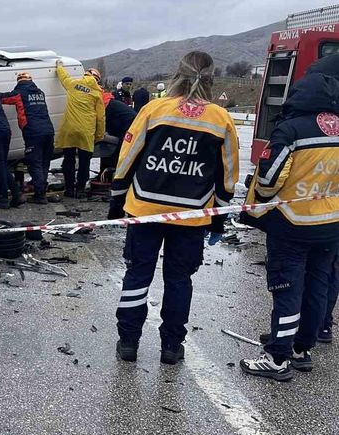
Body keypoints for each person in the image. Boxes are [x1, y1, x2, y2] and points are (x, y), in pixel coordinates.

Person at [109, 51, 239, 365]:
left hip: (144, 209)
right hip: (192, 215)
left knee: (137, 275)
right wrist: (218, 218)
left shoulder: (154, 109)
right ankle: (171, 346)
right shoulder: (221, 118)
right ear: (211, 78)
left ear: (176, 74)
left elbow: (128, 156)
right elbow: (228, 173)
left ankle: (128, 342)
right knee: (179, 280)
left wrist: (116, 200)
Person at [238, 70, 339, 380]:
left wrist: (267, 200)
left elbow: (268, 181)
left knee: (287, 288)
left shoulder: (291, 130)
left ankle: (278, 356)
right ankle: (301, 348)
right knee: (317, 286)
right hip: (331, 224)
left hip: (292, 225)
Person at [0, 72, 56, 204]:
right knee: (44, 162)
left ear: (19, 82)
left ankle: (40, 195)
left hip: (33, 132)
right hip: (49, 130)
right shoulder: (40, 92)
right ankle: (41, 189)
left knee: (34, 163)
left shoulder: (19, 93)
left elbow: (3, 98)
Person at [54, 62, 106, 198]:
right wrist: (99, 135)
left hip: (69, 129)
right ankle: (81, 190)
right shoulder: (97, 93)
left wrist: (59, 66)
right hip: (86, 131)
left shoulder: (73, 84)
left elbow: (63, 77)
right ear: (97, 80)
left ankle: (69, 189)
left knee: (68, 160)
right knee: (84, 162)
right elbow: (100, 117)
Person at [99, 98, 136, 176]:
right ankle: (106, 172)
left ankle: (113, 172)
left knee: (120, 149)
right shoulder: (109, 103)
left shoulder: (105, 106)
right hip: (125, 123)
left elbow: (103, 122)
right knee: (112, 147)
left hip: (130, 125)